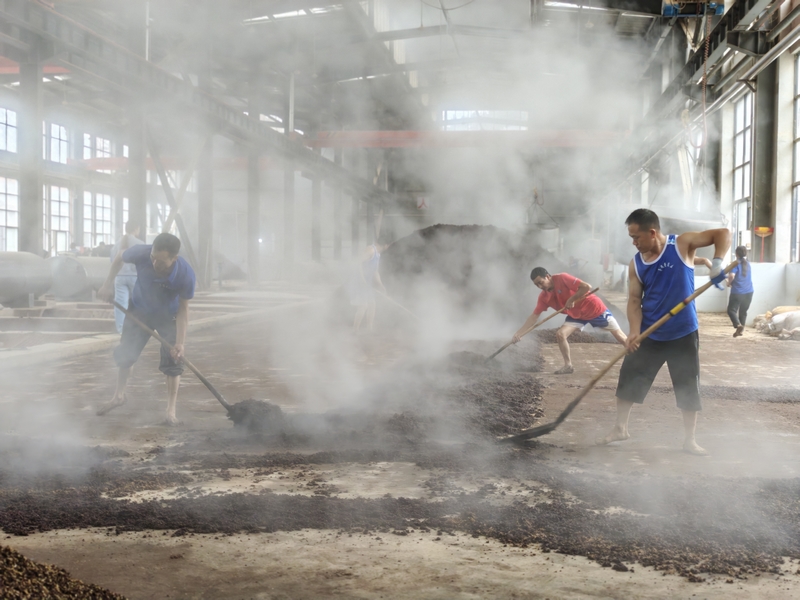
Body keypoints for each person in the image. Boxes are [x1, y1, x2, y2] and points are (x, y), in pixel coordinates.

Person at [596, 208, 730, 455]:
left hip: (683, 333)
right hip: (650, 333)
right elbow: (634, 300)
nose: (634, 243)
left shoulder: (682, 244)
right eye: (631, 238)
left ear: (652, 232)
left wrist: (718, 262)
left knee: (688, 387)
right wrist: (634, 331)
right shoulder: (636, 264)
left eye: (636, 237)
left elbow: (722, 233)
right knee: (629, 378)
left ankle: (689, 440)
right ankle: (620, 428)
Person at [96, 232, 196, 425]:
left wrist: (180, 343)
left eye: (161, 262)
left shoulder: (185, 275)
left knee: (173, 361)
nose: (155, 264)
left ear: (174, 258)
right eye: (153, 258)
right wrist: (107, 284)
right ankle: (119, 396)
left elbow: (184, 310)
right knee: (126, 354)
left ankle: (170, 411)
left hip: (168, 316)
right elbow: (119, 256)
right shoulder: (142, 253)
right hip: (139, 310)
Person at [511, 268, 627, 374]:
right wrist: (519, 333)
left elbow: (586, 287)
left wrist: (571, 299)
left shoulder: (562, 278)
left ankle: (635, 355)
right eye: (537, 285)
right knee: (560, 334)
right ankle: (568, 366)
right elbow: (534, 317)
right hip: (576, 315)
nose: (540, 286)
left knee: (621, 337)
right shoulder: (544, 297)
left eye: (541, 282)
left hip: (594, 309)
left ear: (547, 276)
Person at [348, 239, 390, 334]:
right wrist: (362, 279)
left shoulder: (378, 254)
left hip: (367, 283)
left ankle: (369, 329)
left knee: (372, 304)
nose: (388, 246)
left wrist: (381, 285)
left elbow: (375, 272)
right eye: (389, 244)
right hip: (359, 282)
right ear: (385, 244)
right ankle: (355, 330)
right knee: (363, 306)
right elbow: (357, 262)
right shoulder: (371, 250)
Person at [110, 222, 145, 334]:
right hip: (135, 276)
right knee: (139, 303)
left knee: (121, 304)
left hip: (120, 277)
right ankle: (139, 329)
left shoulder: (117, 244)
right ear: (136, 228)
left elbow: (113, 261)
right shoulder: (140, 244)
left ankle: (121, 330)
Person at [726, 246, 753, 338]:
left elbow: (731, 276)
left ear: (736, 254)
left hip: (738, 292)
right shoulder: (748, 263)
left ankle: (738, 325)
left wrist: (729, 283)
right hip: (749, 292)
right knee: (743, 311)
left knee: (731, 310)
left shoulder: (735, 264)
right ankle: (740, 331)